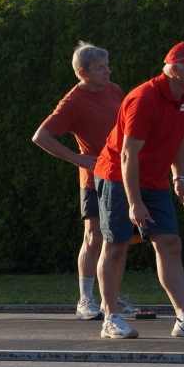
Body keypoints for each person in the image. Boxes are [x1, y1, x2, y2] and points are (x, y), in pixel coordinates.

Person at [94, 41, 184, 340]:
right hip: (117, 176)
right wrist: (134, 202)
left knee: (170, 243)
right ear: (175, 70)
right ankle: (111, 318)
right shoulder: (144, 98)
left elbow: (180, 136)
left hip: (155, 179)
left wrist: (179, 179)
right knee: (116, 246)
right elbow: (128, 155)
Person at [31, 42, 129, 321]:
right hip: (94, 179)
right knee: (94, 236)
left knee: (119, 238)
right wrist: (78, 158)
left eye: (107, 66)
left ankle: (112, 300)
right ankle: (85, 300)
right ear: (82, 73)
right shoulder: (72, 102)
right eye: (100, 68)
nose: (107, 72)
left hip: (120, 174)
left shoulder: (114, 90)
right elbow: (41, 136)